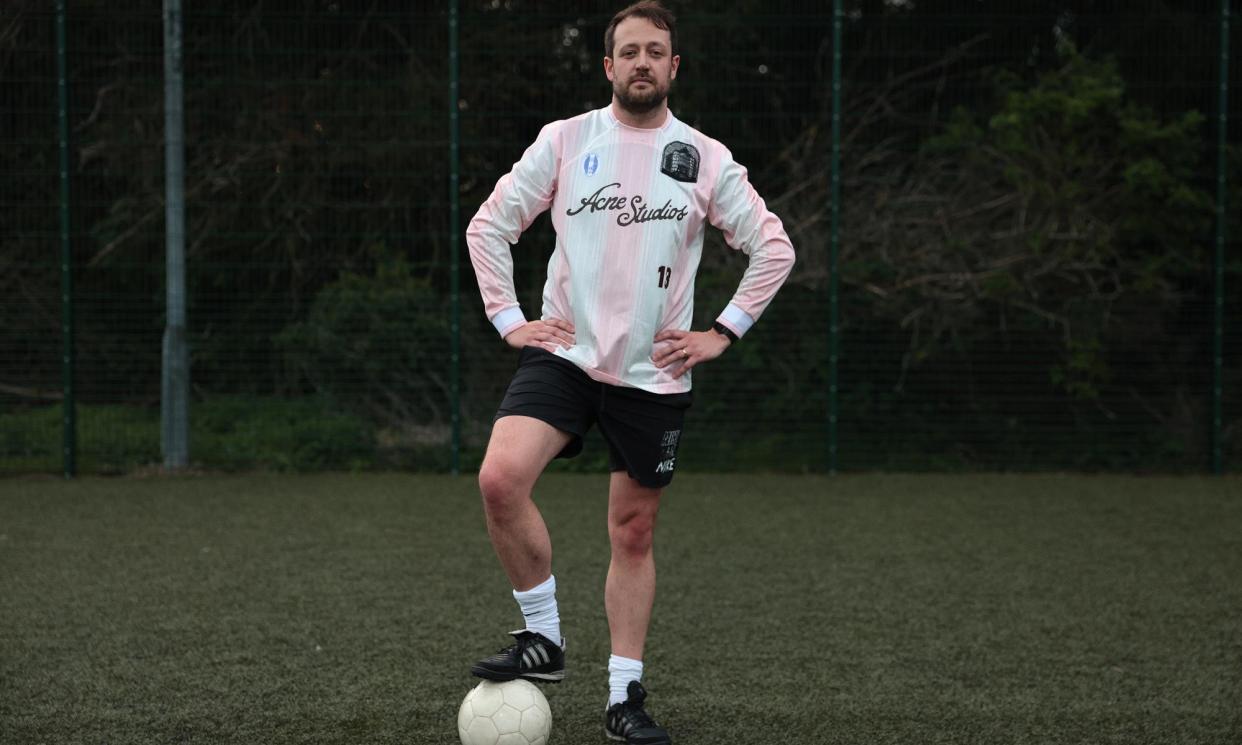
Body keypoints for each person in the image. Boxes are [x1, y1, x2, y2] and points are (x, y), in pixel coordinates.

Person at [464, 2, 795, 742]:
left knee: (633, 532)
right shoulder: (566, 139)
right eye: (629, 51)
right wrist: (509, 320)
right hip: (564, 353)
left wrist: (722, 330)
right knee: (499, 478)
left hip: (653, 371)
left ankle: (625, 697)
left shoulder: (705, 157)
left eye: (656, 52)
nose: (642, 62)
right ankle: (543, 637)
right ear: (608, 66)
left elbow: (773, 247)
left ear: (673, 68)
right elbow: (488, 225)